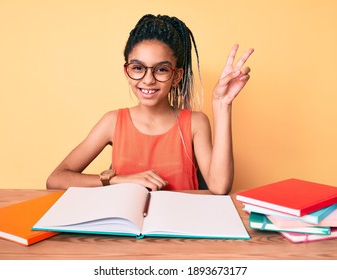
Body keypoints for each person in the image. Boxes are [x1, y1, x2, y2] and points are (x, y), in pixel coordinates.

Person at [46, 14, 253, 194]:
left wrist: (222, 104)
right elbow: (56, 179)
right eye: (138, 68)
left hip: (179, 231)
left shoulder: (195, 123)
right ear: (127, 71)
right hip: (125, 231)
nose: (148, 79)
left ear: (177, 76)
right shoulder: (112, 121)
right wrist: (116, 180)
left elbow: (220, 186)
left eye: (161, 69)